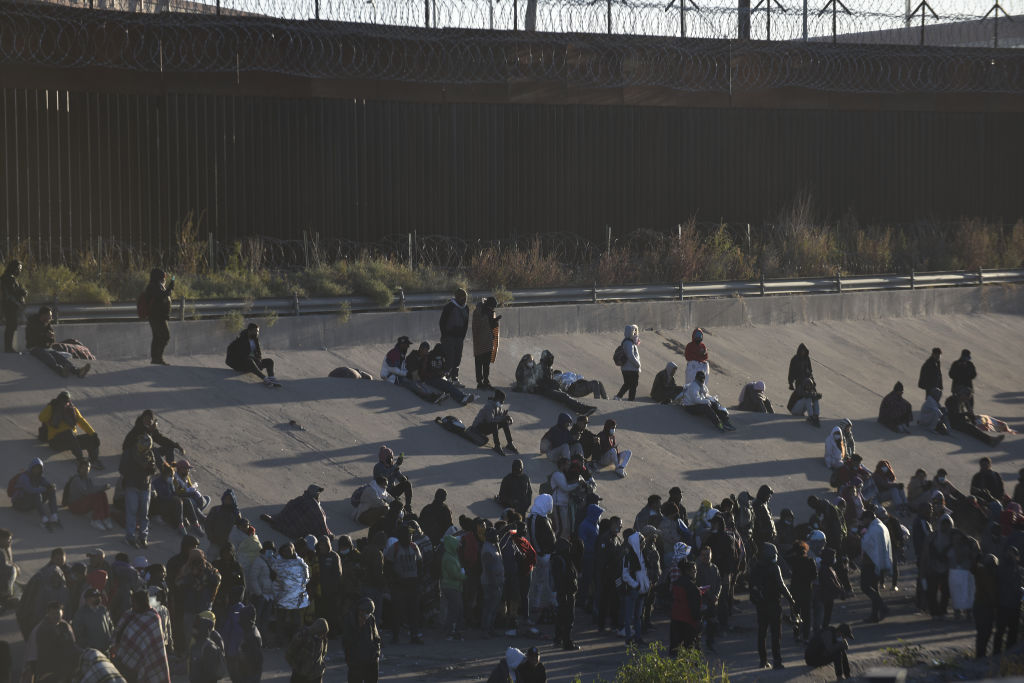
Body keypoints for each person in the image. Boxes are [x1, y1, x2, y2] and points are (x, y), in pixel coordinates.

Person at [110, 590, 172, 683]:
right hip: (121, 660)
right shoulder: (129, 614)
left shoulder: (153, 618)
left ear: (142, 603)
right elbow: (118, 632)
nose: (132, 605)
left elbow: (154, 646)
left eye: (134, 603)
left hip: (142, 663)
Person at [750, 542, 793, 670]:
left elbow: (752, 587)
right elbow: (781, 585)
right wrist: (790, 599)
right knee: (775, 634)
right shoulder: (774, 567)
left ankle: (763, 661)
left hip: (761, 605)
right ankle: (777, 661)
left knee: (762, 633)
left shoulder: (755, 567)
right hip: (774, 604)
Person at [38, 390, 102, 468]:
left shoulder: (72, 409)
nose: (64, 402)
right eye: (62, 399)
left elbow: (81, 421)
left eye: (66, 400)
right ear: (58, 399)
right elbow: (42, 418)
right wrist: (50, 407)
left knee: (91, 438)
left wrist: (93, 434)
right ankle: (81, 459)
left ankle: (94, 459)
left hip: (71, 440)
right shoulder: (53, 407)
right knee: (68, 433)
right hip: (56, 441)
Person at [383, 526, 424, 644]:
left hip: (412, 584)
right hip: (399, 585)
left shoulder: (414, 547)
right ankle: (395, 636)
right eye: (408, 534)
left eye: (410, 534)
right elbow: (388, 566)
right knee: (397, 612)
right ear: (401, 536)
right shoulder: (394, 548)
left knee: (414, 612)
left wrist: (418, 579)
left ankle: (414, 635)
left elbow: (420, 563)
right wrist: (395, 580)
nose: (410, 536)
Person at [25, 306, 92, 377]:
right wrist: (45, 335)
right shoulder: (33, 324)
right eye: (49, 316)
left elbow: (52, 341)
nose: (50, 318)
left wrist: (50, 337)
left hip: (46, 348)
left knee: (60, 357)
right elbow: (32, 339)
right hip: (34, 348)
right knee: (49, 358)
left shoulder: (48, 325)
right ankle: (60, 370)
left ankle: (77, 371)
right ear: (43, 315)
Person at [380, 337, 446, 403]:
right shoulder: (394, 353)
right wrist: (406, 374)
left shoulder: (400, 353)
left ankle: (433, 395)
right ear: (402, 344)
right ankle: (429, 397)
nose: (408, 346)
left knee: (418, 383)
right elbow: (392, 369)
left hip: (397, 377)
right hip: (391, 378)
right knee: (413, 384)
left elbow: (401, 368)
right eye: (407, 344)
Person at [120, 434, 158, 549]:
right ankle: (130, 537)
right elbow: (122, 469)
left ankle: (143, 537)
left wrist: (150, 468)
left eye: (147, 446)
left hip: (145, 486)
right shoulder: (129, 452)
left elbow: (153, 470)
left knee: (144, 513)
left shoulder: (150, 454)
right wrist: (137, 469)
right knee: (131, 511)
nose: (145, 448)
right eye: (143, 444)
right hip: (131, 485)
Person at [260, 484, 333, 540]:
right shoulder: (315, 506)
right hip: (302, 530)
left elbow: (289, 507)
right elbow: (321, 519)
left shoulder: (301, 498)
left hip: (290, 523)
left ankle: (276, 520)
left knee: (284, 519)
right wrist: (328, 533)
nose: (319, 495)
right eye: (318, 493)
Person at [9, 458, 61, 531]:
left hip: (30, 503)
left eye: (39, 468)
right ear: (31, 467)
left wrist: (51, 487)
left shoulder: (40, 477)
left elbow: (47, 484)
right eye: (35, 468)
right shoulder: (24, 477)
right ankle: (44, 518)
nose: (37, 470)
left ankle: (54, 516)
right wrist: (45, 489)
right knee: (36, 494)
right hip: (19, 503)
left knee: (50, 490)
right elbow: (30, 490)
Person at [860, 510, 892, 623]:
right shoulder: (879, 527)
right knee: (874, 588)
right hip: (877, 562)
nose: (863, 522)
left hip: (871, 563)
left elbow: (868, 545)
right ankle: (874, 615)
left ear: (868, 518)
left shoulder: (874, 529)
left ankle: (883, 607)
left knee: (865, 587)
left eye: (864, 520)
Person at [64, 460, 114, 531]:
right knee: (95, 497)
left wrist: (103, 488)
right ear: (79, 468)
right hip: (74, 506)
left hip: (82, 502)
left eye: (87, 469)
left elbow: (92, 489)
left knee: (102, 494)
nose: (85, 470)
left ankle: (106, 517)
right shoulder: (76, 479)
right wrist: (103, 487)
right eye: (83, 468)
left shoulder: (87, 479)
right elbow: (86, 492)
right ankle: (95, 520)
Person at [550, 537, 581, 650]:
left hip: (563, 593)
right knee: (568, 618)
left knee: (561, 617)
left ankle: (558, 639)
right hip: (566, 593)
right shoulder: (562, 559)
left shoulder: (558, 558)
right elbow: (563, 578)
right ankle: (567, 642)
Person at [620, 529, 650, 646]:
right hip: (633, 591)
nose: (643, 544)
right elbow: (625, 575)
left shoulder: (642, 555)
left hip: (641, 590)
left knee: (638, 616)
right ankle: (629, 639)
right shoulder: (628, 557)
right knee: (629, 617)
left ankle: (638, 638)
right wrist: (635, 585)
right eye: (642, 542)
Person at [342, 597, 382, 683]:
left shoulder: (370, 618)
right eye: (363, 612)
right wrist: (359, 627)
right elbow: (347, 642)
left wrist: (376, 653)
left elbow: (376, 638)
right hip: (356, 661)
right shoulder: (350, 619)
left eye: (368, 613)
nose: (365, 615)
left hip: (371, 660)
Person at [470, 390, 518, 457]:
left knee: (504, 422)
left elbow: (501, 415)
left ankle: (510, 443)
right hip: (478, 428)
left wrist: (508, 417)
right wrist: (502, 418)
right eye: (502, 401)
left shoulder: (497, 405)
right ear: (497, 399)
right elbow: (490, 420)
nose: (502, 403)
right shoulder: (489, 406)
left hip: (486, 426)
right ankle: (497, 445)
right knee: (494, 424)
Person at [144, 267, 175, 365]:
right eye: (162, 276)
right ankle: (157, 358)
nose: (164, 278)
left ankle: (156, 358)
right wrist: (169, 288)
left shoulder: (159, 285)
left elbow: (164, 296)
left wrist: (169, 288)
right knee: (164, 336)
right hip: (156, 317)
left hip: (160, 316)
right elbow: (161, 296)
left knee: (158, 337)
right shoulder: (153, 286)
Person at [439, 287, 470, 383]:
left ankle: (454, 377)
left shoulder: (466, 308)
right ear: (457, 297)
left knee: (457, 358)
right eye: (462, 297)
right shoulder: (449, 307)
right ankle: (446, 376)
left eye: (465, 297)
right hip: (449, 337)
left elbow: (466, 324)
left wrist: (462, 336)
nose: (464, 299)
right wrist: (445, 335)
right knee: (449, 357)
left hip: (459, 338)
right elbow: (442, 322)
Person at [285, 618, 329, 683]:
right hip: (300, 675)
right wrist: (297, 666)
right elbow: (289, 653)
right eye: (321, 633)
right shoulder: (302, 636)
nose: (322, 635)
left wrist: (320, 667)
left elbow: (323, 654)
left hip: (315, 676)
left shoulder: (323, 639)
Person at [471, 296, 501, 389]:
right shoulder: (479, 312)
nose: (493, 309)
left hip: (487, 342)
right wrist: (494, 321)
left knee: (486, 364)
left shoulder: (486, 312)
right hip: (480, 341)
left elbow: (489, 326)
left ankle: (485, 381)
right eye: (492, 306)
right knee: (480, 363)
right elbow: (478, 326)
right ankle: (480, 383)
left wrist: (495, 321)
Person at [73, 587, 114, 654]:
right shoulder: (80, 614)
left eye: (98, 596)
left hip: (106, 650)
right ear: (87, 599)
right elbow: (77, 633)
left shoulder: (103, 610)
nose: (98, 598)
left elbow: (111, 626)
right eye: (94, 596)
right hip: (91, 652)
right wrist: (86, 646)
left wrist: (111, 641)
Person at [1, 259, 26, 352]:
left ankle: (9, 347)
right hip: (10, 305)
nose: (19, 271)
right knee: (11, 326)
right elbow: (11, 292)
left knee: (12, 325)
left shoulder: (9, 277)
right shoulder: (8, 278)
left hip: (12, 305)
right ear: (13, 268)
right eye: (18, 268)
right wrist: (21, 293)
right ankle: (8, 347)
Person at [614, 325, 641, 401]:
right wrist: (637, 364)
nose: (635, 333)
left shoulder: (628, 342)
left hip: (627, 368)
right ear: (629, 332)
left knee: (628, 384)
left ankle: (619, 397)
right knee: (633, 385)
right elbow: (630, 355)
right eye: (633, 331)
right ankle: (630, 400)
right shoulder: (629, 343)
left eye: (636, 331)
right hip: (631, 368)